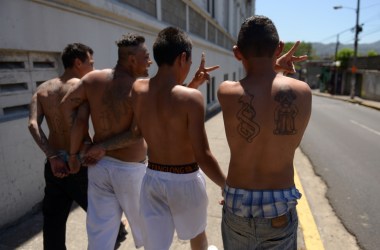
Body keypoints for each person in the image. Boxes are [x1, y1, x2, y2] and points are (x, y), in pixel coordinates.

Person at [217, 15, 312, 249]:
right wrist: (276, 66)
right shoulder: (303, 91)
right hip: (279, 205)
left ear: (237, 52)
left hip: (237, 203)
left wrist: (275, 64)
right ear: (279, 47)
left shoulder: (226, 91)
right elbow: (293, 143)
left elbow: (257, 81)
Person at [130, 26, 226, 250]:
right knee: (198, 238)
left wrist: (191, 85)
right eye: (190, 62)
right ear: (183, 57)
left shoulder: (137, 89)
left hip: (152, 178)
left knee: (155, 245)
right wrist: (226, 185)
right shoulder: (191, 98)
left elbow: (163, 110)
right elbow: (203, 155)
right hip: (185, 181)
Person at [60, 34, 152, 250]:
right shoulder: (140, 88)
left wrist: (84, 145)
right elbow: (136, 134)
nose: (150, 61)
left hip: (99, 168)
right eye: (146, 56)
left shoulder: (92, 80)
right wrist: (99, 146)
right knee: (150, 232)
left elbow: (66, 106)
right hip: (131, 172)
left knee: (100, 236)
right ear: (131, 59)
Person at [28, 43, 94, 250]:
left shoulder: (42, 89)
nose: (92, 67)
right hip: (80, 161)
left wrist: (53, 157)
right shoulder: (83, 87)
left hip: (55, 164)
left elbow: (32, 124)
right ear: (78, 62)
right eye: (90, 63)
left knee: (53, 221)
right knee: (103, 215)